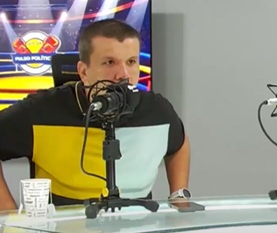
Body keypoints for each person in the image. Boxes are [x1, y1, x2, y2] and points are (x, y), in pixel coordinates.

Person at [0, 19, 191, 211]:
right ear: (83, 72)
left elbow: (179, 144)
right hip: (63, 227)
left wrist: (179, 197)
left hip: (138, 225)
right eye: (110, 62)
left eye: (131, 62)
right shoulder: (41, 110)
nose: (123, 74)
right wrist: (7, 211)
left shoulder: (157, 110)